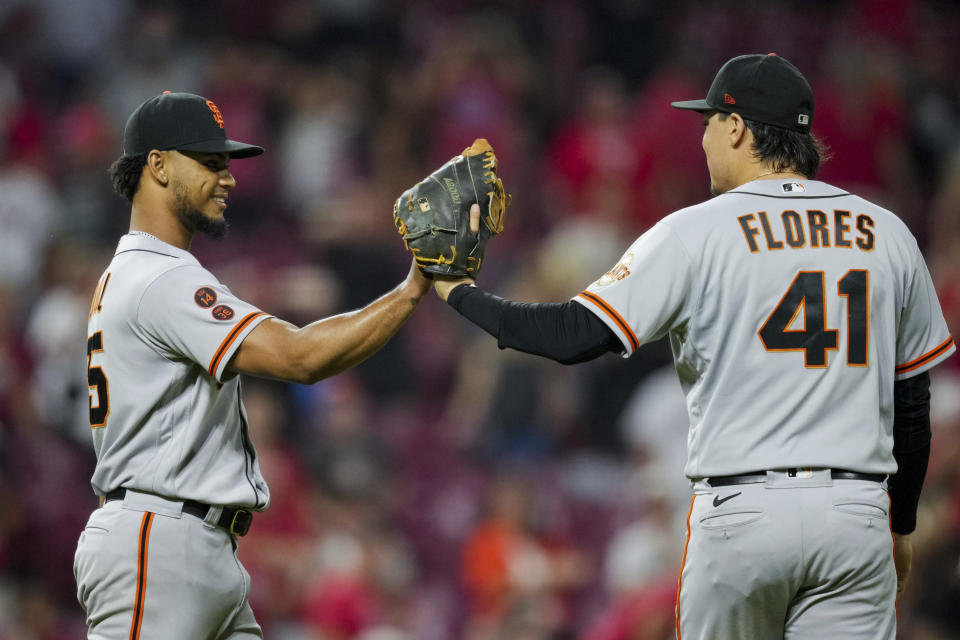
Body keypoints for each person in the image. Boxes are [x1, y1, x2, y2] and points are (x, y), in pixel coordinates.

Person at [431, 54, 955, 639]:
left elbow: (573, 336)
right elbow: (913, 405)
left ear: (736, 128)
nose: (702, 137)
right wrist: (901, 525)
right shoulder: (887, 232)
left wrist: (458, 292)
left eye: (707, 122)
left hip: (743, 511)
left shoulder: (694, 231)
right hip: (856, 516)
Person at [74, 91, 432, 639]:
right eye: (210, 162)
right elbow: (301, 356)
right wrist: (415, 285)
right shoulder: (159, 276)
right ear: (159, 165)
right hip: (160, 543)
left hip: (193, 547)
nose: (229, 177)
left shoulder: (134, 272)